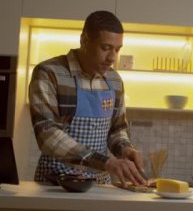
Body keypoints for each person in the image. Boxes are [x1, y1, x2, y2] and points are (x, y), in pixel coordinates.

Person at [29, 11, 147, 187]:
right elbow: (47, 134)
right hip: (55, 185)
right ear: (84, 40)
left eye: (117, 49)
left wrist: (125, 149)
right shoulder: (50, 73)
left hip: (99, 185)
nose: (113, 58)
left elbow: (116, 129)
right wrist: (106, 162)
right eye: (105, 48)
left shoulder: (114, 80)